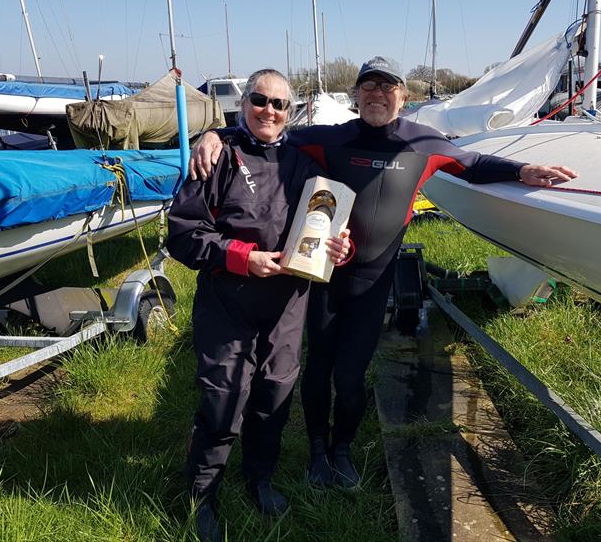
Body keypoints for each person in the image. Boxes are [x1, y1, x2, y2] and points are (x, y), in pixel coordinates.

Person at [188, 56, 578, 491]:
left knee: (351, 376)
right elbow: (266, 132)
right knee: (318, 368)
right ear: (356, 95)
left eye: (386, 87)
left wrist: (521, 170)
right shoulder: (328, 140)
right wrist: (214, 135)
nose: (377, 94)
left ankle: (342, 450)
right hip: (321, 278)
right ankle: (317, 449)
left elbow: (473, 164)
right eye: (368, 86)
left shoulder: (424, 144)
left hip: (372, 282)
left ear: (403, 96)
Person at [167, 68, 350, 542]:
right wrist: (242, 258)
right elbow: (182, 234)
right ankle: (201, 494)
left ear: (290, 113)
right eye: (260, 101)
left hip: (288, 305)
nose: (269, 111)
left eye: (279, 104)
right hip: (229, 302)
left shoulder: (304, 164)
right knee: (224, 398)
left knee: (273, 396)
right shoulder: (218, 156)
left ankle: (259, 478)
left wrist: (338, 248)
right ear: (244, 103)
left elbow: (323, 228)